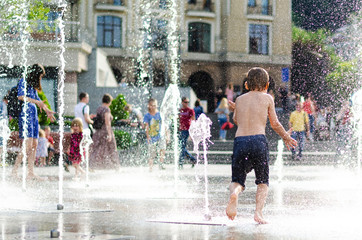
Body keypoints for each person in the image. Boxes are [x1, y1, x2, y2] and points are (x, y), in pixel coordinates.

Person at [225, 67, 297, 224]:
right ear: (267, 85)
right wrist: (286, 136)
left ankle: (235, 194)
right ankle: (258, 213)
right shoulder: (267, 98)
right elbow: (275, 123)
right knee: (262, 181)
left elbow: (237, 121)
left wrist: (236, 109)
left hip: (241, 141)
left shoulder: (240, 99)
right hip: (258, 141)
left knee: (237, 180)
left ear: (246, 85)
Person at [11, 64, 55, 180]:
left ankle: (31, 172)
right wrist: (37, 102)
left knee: (35, 144)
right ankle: (14, 171)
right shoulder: (23, 81)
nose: (40, 79)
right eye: (40, 76)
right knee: (27, 145)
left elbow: (39, 101)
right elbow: (21, 96)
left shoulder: (32, 86)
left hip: (33, 115)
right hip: (26, 114)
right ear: (35, 74)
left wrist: (47, 111)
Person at [89, 94, 120, 170]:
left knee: (97, 149)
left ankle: (92, 165)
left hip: (98, 132)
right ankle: (116, 166)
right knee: (112, 148)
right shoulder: (106, 109)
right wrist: (109, 134)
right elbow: (107, 122)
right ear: (109, 101)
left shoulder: (99, 108)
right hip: (105, 131)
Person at [143, 98, 166, 171]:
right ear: (149, 106)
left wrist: (166, 135)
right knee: (151, 153)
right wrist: (148, 136)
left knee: (162, 149)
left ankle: (161, 163)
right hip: (151, 136)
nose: (154, 107)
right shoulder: (147, 115)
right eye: (152, 105)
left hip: (160, 136)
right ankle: (150, 168)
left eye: (155, 105)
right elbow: (146, 126)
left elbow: (164, 125)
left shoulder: (159, 114)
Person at [178, 97, 196, 169]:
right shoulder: (180, 110)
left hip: (187, 130)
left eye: (188, 102)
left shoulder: (190, 110)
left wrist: (192, 133)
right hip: (181, 130)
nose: (187, 103)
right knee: (182, 147)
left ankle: (180, 163)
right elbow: (179, 119)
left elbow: (193, 120)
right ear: (182, 102)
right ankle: (193, 159)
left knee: (182, 147)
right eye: (185, 102)